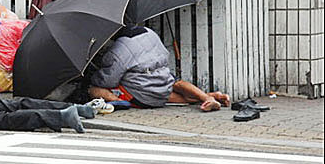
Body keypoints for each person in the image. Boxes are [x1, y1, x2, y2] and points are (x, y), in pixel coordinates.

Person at [89, 25, 230, 112]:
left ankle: (118, 102)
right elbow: (164, 54)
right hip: (163, 82)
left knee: (95, 89)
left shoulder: (118, 49)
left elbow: (108, 81)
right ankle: (208, 97)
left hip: (142, 94)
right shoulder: (149, 32)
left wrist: (94, 75)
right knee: (176, 83)